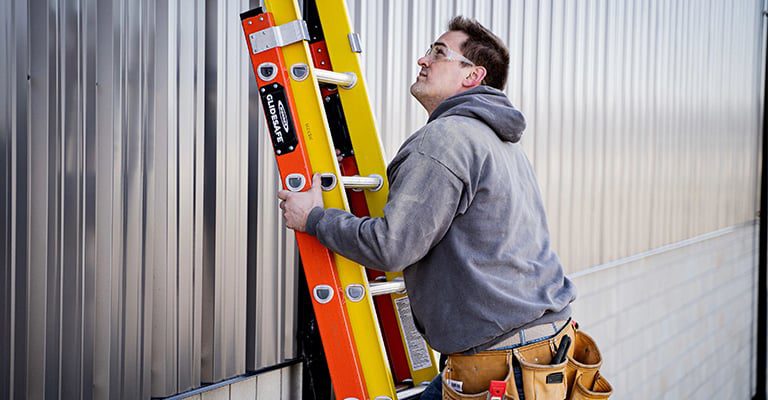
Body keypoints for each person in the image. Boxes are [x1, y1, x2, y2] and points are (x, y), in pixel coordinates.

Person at [277, 16, 576, 399]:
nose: (423, 59)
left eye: (438, 53)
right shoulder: (497, 141)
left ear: (473, 75)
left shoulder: (445, 140)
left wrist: (314, 218)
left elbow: (391, 248)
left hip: (502, 361)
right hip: (543, 346)